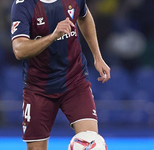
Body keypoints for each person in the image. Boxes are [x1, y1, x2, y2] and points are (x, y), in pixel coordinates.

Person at [11, 0, 110, 150]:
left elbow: (84, 15)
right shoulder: (23, 5)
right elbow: (19, 50)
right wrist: (53, 36)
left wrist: (97, 56)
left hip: (74, 80)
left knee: (91, 143)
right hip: (39, 88)